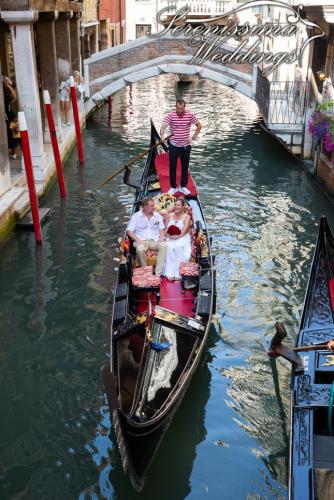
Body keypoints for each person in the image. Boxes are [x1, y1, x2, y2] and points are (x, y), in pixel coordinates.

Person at [160, 99, 202, 196]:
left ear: (184, 107)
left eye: (182, 109)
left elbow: (199, 126)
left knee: (184, 167)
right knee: (172, 167)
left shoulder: (190, 115)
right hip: (173, 146)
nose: (180, 110)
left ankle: (183, 186)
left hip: (185, 147)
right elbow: (163, 127)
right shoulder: (171, 116)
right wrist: (162, 136)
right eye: (178, 108)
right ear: (176, 107)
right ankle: (173, 187)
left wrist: (193, 137)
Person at [127, 197, 167, 276]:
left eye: (154, 205)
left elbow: (161, 229)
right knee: (140, 249)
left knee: (164, 245)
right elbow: (129, 231)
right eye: (152, 206)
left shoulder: (157, 216)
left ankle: (158, 273)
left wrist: (161, 237)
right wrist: (138, 240)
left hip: (154, 241)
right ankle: (146, 272)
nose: (154, 207)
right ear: (145, 207)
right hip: (141, 240)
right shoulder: (136, 216)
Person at [162, 197, 192, 281]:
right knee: (168, 246)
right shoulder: (169, 215)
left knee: (178, 246)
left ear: (183, 207)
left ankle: (178, 273)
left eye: (178, 205)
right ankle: (168, 273)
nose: (176, 206)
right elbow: (165, 229)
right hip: (170, 237)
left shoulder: (187, 217)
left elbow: (184, 231)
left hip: (183, 238)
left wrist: (176, 237)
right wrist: (168, 235)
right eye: (175, 205)